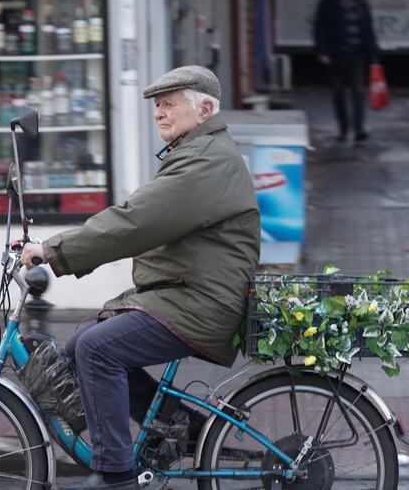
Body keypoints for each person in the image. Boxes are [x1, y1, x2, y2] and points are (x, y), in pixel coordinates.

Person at [20, 65, 261, 490]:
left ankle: (115, 475)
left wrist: (54, 251)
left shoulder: (204, 161)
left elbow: (135, 223)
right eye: (156, 106)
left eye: (169, 104)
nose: (159, 114)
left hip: (201, 305)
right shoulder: (197, 152)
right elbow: (141, 221)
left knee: (96, 349)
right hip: (186, 296)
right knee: (80, 346)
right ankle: (189, 433)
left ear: (204, 109)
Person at [313, 0, 380, 142]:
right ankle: (343, 129)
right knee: (338, 92)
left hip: (357, 52)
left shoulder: (360, 1)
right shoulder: (328, 3)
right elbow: (320, 28)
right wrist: (322, 51)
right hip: (336, 53)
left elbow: (368, 27)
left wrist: (373, 51)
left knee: (358, 90)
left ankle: (359, 128)